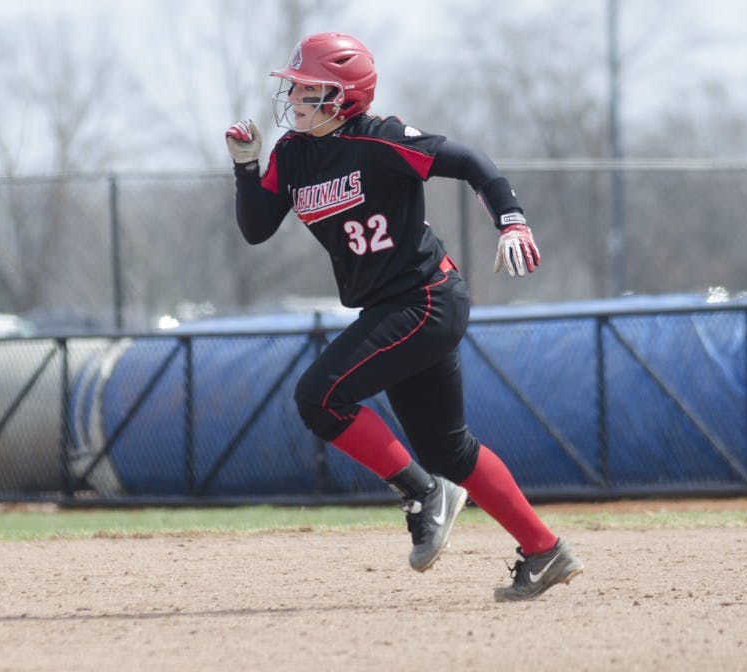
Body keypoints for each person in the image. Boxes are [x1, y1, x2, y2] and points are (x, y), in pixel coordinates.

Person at [224, 32, 582, 602]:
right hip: (396, 305)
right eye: (294, 87)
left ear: (344, 95)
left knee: (319, 397)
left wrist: (511, 218)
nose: (293, 97)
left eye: (307, 88)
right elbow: (256, 227)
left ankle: (421, 494)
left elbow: (469, 161)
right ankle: (545, 551)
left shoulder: (380, 139)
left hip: (425, 298)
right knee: (450, 451)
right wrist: (246, 169)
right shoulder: (292, 154)